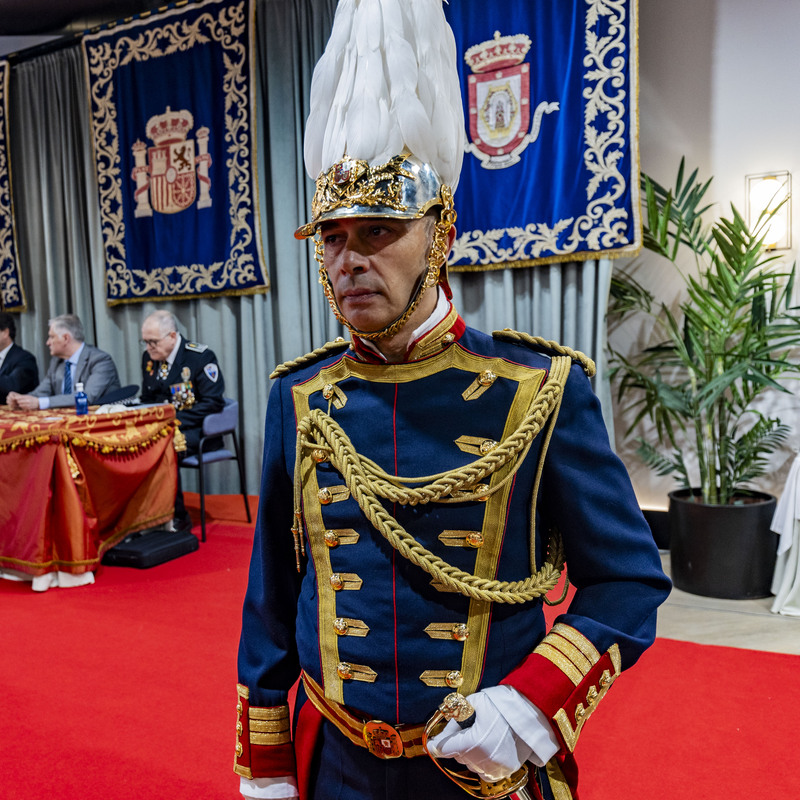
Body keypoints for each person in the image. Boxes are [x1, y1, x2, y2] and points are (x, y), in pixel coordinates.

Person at [233, 3, 671, 799]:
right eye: (333, 237)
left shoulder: (541, 391)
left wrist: (529, 707)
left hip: (483, 771)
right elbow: (271, 597)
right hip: (337, 764)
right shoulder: (298, 399)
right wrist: (267, 760)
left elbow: (628, 582)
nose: (349, 260)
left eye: (378, 232)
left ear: (439, 238)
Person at [138, 309, 226, 534]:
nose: (148, 347)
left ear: (172, 337)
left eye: (153, 342)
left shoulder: (199, 357)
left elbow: (213, 403)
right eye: (145, 341)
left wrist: (171, 420)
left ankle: (177, 516)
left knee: (164, 447)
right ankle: (145, 515)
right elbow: (149, 398)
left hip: (197, 430)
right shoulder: (150, 358)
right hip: (161, 428)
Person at [7, 314, 120, 410]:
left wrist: (39, 403)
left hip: (97, 425)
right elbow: (41, 393)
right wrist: (21, 399)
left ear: (66, 338)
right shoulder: (57, 362)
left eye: (51, 337)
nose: (47, 342)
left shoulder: (100, 360)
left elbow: (86, 397)